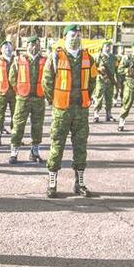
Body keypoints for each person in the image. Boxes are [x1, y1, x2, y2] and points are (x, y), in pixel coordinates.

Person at [43, 25, 98, 197]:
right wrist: (55, 100)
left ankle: (79, 183)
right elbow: (47, 82)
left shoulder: (88, 58)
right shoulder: (55, 57)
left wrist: (86, 97)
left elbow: (93, 81)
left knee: (80, 146)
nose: (75, 37)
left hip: (81, 109)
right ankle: (52, 183)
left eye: (78, 35)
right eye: (72, 35)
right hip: (62, 110)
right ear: (65, 37)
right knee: (57, 145)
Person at [7, 37, 47, 164]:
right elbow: (12, 77)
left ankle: (35, 152)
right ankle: (14, 153)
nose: (34, 47)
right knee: (18, 125)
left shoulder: (44, 60)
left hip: (39, 98)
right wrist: (19, 91)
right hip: (22, 98)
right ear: (27, 45)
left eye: (37, 45)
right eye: (31, 44)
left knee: (37, 126)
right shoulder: (19, 60)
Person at [0, 40, 16, 146]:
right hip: (1, 92)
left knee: (15, 116)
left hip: (15, 92)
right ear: (1, 50)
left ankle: (15, 138)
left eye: (9, 47)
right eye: (5, 47)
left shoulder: (17, 60)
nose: (7, 49)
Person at [92, 41, 117, 123]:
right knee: (99, 96)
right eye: (106, 46)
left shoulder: (113, 57)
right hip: (100, 80)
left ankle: (108, 114)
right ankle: (96, 113)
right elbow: (93, 68)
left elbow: (116, 69)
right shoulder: (98, 56)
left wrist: (117, 80)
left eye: (109, 46)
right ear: (103, 47)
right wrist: (99, 69)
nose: (108, 48)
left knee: (109, 97)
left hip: (110, 80)